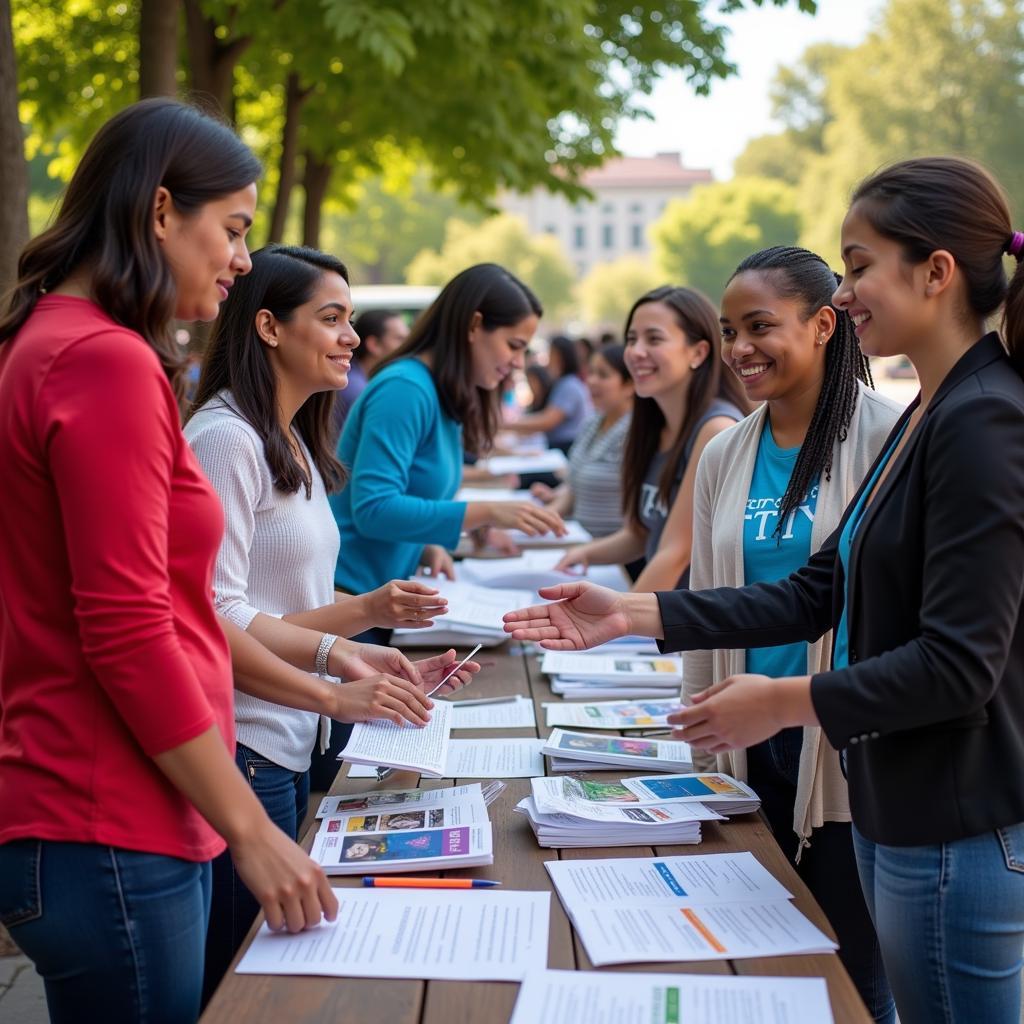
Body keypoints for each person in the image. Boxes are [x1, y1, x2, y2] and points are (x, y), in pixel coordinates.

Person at [504, 156, 1024, 1024]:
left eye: (859, 267)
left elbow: (959, 666)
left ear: (935, 273)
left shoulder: (979, 419)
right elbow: (820, 589)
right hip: (906, 811)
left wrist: (782, 700)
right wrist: (631, 613)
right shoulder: (937, 411)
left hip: (953, 825)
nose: (848, 292)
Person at [0, 98, 337, 1024]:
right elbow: (127, 626)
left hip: (98, 813)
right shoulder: (101, 360)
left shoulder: (61, 346)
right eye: (232, 229)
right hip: (109, 819)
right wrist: (251, 828)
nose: (241, 258)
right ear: (158, 213)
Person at [184, 244, 478, 988]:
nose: (353, 336)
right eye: (333, 318)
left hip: (285, 744)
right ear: (269, 328)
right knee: (241, 981)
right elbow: (214, 612)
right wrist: (334, 666)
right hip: (245, 747)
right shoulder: (225, 438)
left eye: (350, 319)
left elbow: (271, 612)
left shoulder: (289, 435)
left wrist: (365, 632)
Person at [690, 245, 902, 1020]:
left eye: (758, 327)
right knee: (757, 963)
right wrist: (703, 745)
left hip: (844, 754)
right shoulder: (725, 453)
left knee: (853, 980)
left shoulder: (889, 436)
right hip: (747, 746)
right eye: (728, 331)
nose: (739, 349)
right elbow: (708, 600)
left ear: (821, 325)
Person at [330, 263, 566, 600]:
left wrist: (424, 546)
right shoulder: (405, 388)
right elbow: (374, 509)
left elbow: (406, 498)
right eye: (513, 345)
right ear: (474, 325)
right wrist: (486, 512)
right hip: (349, 599)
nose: (518, 362)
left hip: (380, 596)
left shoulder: (436, 390)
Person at [555, 287, 748, 590]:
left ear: (697, 352)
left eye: (654, 339)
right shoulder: (653, 426)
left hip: (692, 624)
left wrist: (619, 618)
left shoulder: (715, 429)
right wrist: (583, 554)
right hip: (659, 614)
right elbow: (642, 533)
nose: (635, 352)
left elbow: (676, 552)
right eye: (632, 339)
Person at [530, 343, 635, 540]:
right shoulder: (593, 422)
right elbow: (574, 487)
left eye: (603, 375)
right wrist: (543, 514)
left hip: (611, 553)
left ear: (629, 385)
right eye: (591, 373)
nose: (592, 381)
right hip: (581, 541)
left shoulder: (634, 432)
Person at [502, 334, 592, 452]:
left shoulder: (569, 385)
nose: (548, 359)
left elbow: (547, 421)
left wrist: (505, 424)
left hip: (565, 447)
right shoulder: (565, 383)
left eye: (551, 354)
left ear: (560, 357)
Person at [331, 307, 408, 434]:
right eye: (400, 339)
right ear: (374, 345)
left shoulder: (354, 381)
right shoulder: (356, 390)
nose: (407, 347)